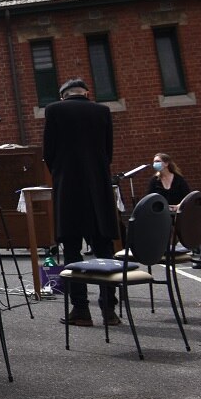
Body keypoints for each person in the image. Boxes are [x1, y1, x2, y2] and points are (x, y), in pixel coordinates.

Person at [44, 77, 120, 328]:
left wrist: (61, 171)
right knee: (104, 248)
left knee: (73, 251)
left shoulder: (54, 110)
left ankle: (80, 309)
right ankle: (109, 309)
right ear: (86, 93)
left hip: (69, 188)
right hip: (98, 188)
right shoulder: (102, 111)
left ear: (63, 94)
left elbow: (49, 152)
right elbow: (108, 152)